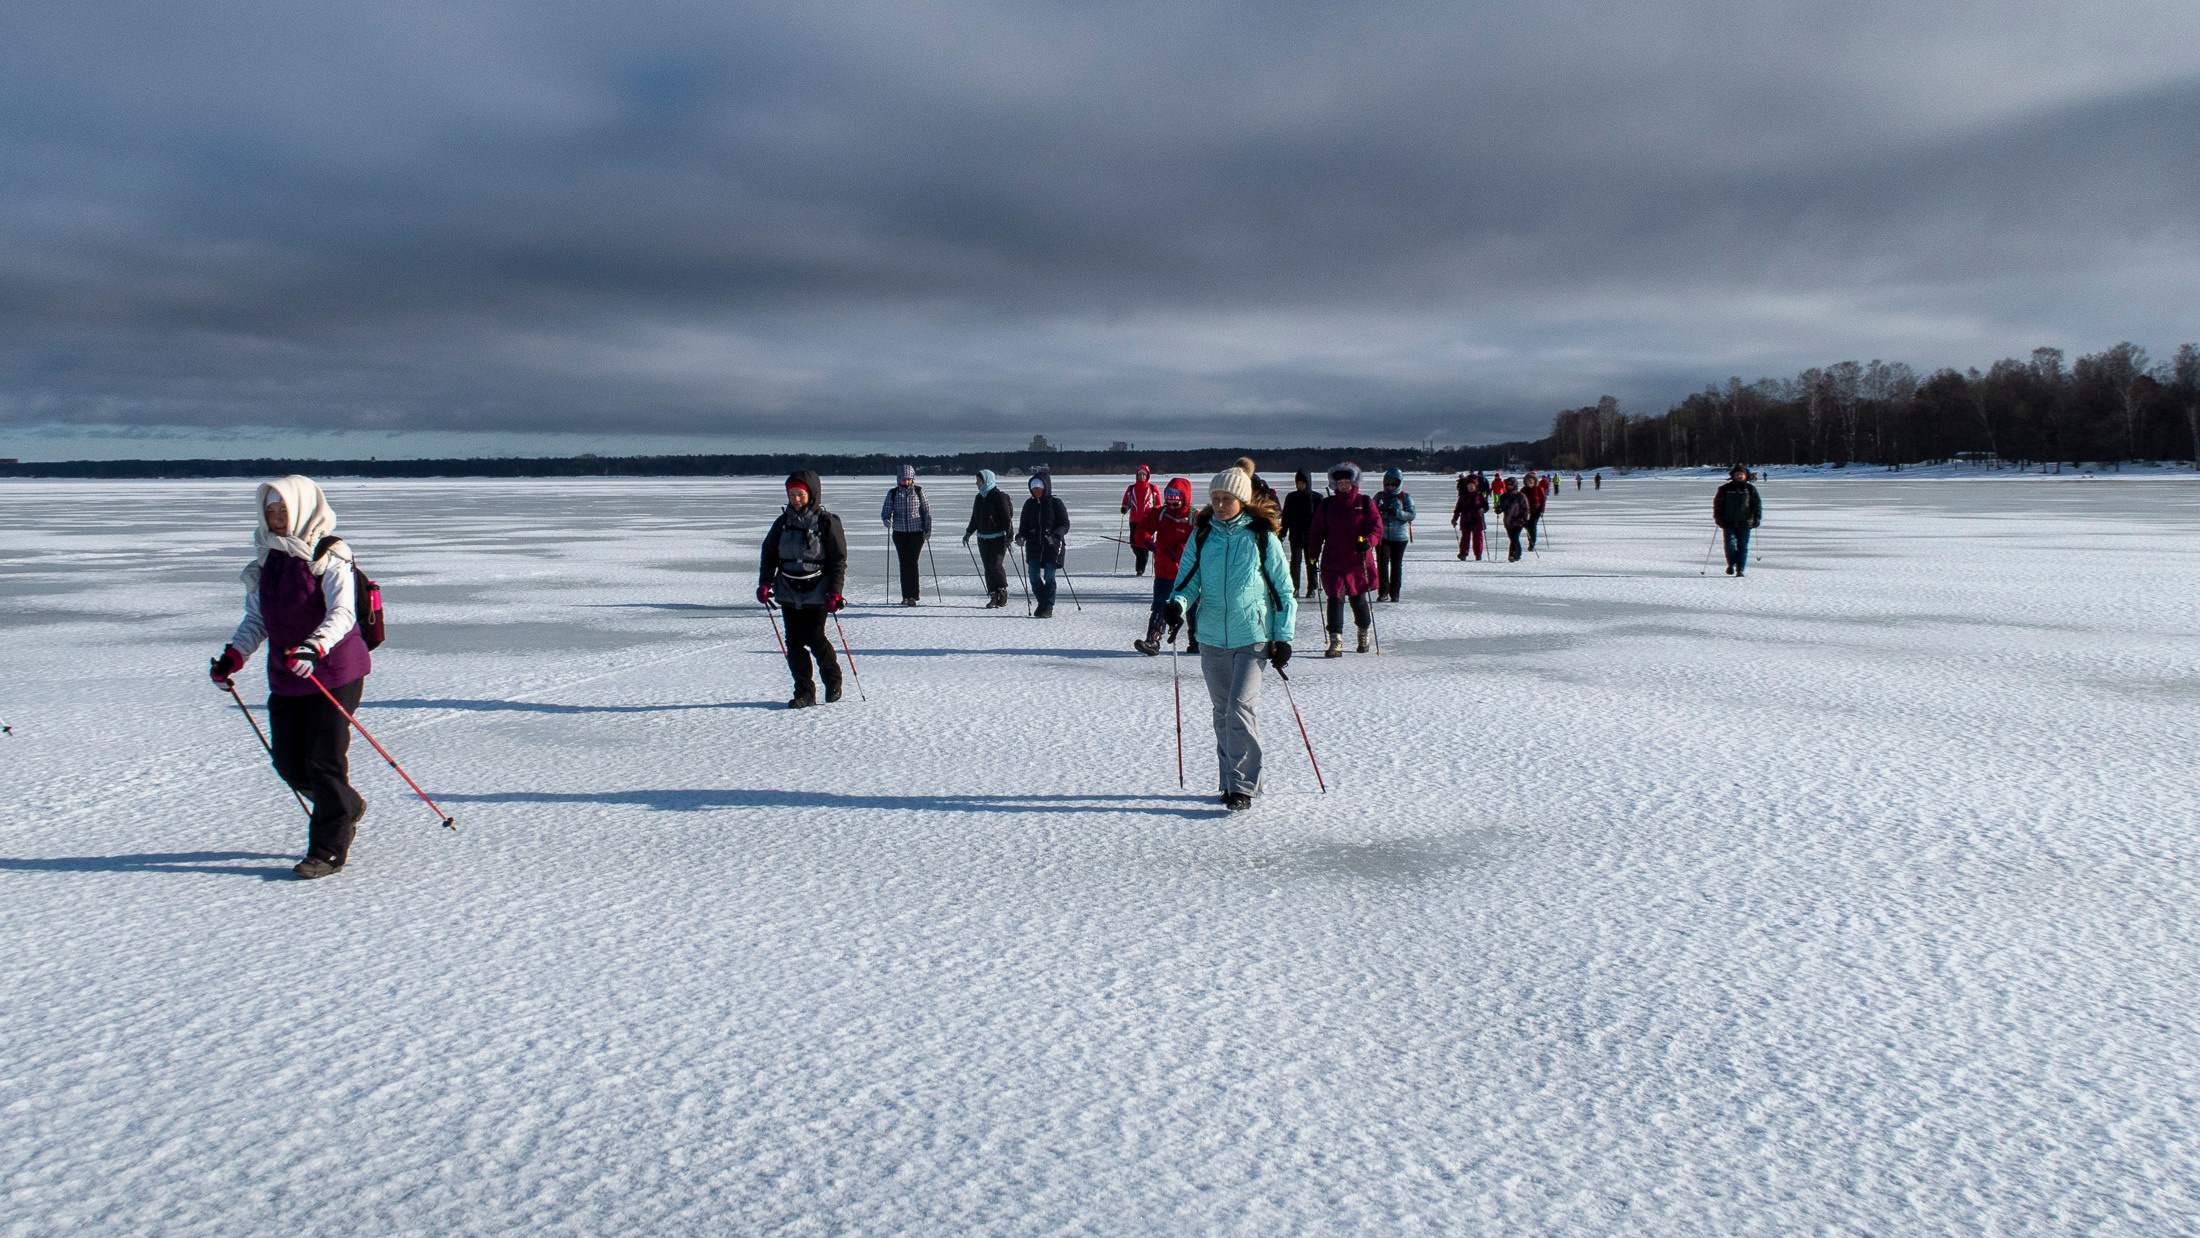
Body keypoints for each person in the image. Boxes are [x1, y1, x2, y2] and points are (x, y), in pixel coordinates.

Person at [208, 475, 372, 880]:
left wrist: (314, 647)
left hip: (333, 669)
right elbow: (259, 617)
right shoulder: (268, 558)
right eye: (270, 508)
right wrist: (234, 655)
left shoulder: (330, 554)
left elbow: (343, 613)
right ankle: (345, 805)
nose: (276, 515)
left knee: (323, 759)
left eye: (283, 507)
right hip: (286, 673)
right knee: (288, 763)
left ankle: (328, 849)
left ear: (302, 506)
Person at [1162, 468, 1295, 812]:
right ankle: (1228, 780)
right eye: (1216, 499)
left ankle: (1244, 787)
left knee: (1239, 707)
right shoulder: (1203, 536)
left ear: (1243, 500)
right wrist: (1176, 607)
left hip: (1252, 637)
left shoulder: (1262, 537)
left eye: (1227, 499)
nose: (1220, 505)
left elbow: (1283, 591)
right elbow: (1186, 584)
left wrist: (1283, 637)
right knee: (1222, 712)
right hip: (1210, 637)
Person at [759, 471, 848, 709]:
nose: (796, 499)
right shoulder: (782, 524)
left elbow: (838, 560)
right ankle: (804, 692)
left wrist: (835, 592)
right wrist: (765, 583)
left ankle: (833, 681)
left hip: (818, 590)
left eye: (800, 494)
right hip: (788, 590)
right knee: (795, 642)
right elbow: (768, 554)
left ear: (812, 494)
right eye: (791, 494)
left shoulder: (827, 522)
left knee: (816, 638)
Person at [1309, 462, 1380, 656]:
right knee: (1335, 600)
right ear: (1334, 484)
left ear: (1353, 482)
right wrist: (1313, 553)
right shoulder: (1327, 505)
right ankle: (1335, 641)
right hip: (1333, 561)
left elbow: (1376, 527)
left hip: (1357, 561)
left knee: (1358, 600)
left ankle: (1364, 633)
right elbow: (1316, 532)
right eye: (1339, 482)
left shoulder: (1364, 502)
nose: (1343, 486)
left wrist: (1368, 542)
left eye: (1346, 482)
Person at [1133, 477, 1195, 655]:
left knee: (1192, 607)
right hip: (1164, 571)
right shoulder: (1160, 513)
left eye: (1176, 504)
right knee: (1160, 605)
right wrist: (1149, 544)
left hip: (1188, 573)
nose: (1172, 508)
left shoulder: (1194, 517)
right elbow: (1140, 531)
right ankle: (1152, 641)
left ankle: (1196, 641)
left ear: (1184, 499)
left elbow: (1199, 541)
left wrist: (1179, 550)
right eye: (1169, 504)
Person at [1018, 470, 1070, 617]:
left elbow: (1065, 524)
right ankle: (1042, 603)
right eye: (1033, 489)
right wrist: (1020, 536)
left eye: (1038, 488)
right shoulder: (1029, 504)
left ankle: (1048, 607)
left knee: (1049, 577)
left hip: (1052, 546)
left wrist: (1055, 534)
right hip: (1034, 546)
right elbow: (1023, 526)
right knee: (1033, 576)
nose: (1036, 491)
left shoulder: (1055, 503)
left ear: (1045, 488)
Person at [880, 465, 932, 605]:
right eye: (904, 479)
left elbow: (926, 511)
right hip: (900, 534)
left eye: (909, 479)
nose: (906, 482)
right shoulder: (893, 493)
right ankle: (906, 596)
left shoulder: (919, 491)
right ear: (899, 479)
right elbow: (886, 511)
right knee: (904, 563)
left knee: (912, 562)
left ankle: (913, 596)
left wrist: (928, 529)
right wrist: (886, 519)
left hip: (916, 533)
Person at [963, 469, 1015, 607]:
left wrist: (1010, 537)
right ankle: (993, 596)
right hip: (983, 539)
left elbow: (1007, 519)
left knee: (995, 565)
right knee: (987, 568)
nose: (976, 483)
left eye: (979, 481)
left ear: (986, 481)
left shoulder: (999, 497)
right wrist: (969, 533)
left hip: (998, 539)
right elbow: (975, 519)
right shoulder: (979, 498)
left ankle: (1002, 591)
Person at [1374, 467, 1415, 601]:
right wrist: (1378, 511)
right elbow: (1369, 513)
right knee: (1382, 563)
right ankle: (1383, 592)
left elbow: (1411, 515)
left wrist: (1397, 513)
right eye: (1388, 484)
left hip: (1400, 537)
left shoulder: (1405, 497)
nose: (1390, 486)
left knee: (1396, 565)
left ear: (1399, 484)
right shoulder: (1379, 496)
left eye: (1394, 484)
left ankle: (1395, 593)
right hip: (1382, 536)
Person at [1714, 464, 1763, 576]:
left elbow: (1757, 504)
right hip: (1728, 522)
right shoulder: (1725, 489)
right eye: (1737, 474)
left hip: (1745, 522)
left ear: (1745, 476)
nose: (1739, 476)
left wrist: (1757, 517)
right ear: (1733, 476)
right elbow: (1718, 504)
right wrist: (1717, 517)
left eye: (1741, 474)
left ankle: (1740, 569)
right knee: (1729, 546)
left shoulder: (1750, 489)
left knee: (1743, 547)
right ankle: (1731, 564)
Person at [1280, 469, 1322, 597]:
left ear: (1308, 483)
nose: (1300, 485)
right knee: (1295, 562)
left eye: (1303, 483)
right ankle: (1295, 588)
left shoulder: (1316, 498)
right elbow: (1286, 517)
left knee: (1311, 562)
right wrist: (1282, 532)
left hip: (1312, 537)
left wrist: (1323, 534)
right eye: (1298, 483)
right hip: (1296, 536)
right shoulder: (1291, 497)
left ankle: (1312, 588)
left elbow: (1321, 518)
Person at [1120, 465, 1161, 576]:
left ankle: (1140, 569)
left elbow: (1158, 504)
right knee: (1134, 543)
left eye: (1144, 474)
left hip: (1148, 521)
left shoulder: (1153, 488)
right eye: (1140, 474)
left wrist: (1155, 510)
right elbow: (1126, 502)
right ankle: (1141, 562)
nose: (1142, 476)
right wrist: (1124, 508)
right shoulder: (1131, 488)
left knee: (1144, 544)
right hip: (1134, 520)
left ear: (1147, 476)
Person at [1451, 473, 1486, 561]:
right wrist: (1454, 518)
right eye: (1469, 486)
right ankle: (1463, 553)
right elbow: (1458, 509)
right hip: (1466, 519)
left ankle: (1478, 554)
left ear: (1475, 486)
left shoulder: (1479, 495)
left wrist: (1482, 509)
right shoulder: (1463, 496)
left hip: (1477, 520)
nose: (1470, 487)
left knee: (1478, 538)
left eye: (1472, 486)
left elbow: (1486, 506)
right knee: (1465, 537)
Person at [1498, 478, 1530, 562]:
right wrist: (1499, 509)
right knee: (1512, 538)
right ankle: (1517, 554)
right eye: (1507, 485)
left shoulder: (1520, 496)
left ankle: (1512, 554)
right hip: (1508, 521)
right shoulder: (1503, 497)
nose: (1509, 487)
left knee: (1514, 537)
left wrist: (1525, 519)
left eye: (1511, 485)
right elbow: (1501, 507)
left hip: (1518, 521)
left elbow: (1525, 508)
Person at [1523, 469, 1547, 551]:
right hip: (1526, 511)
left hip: (1536, 511)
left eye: (1531, 482)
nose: (1529, 484)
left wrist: (1542, 510)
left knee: (1532, 526)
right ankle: (1530, 541)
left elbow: (1543, 500)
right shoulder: (1523, 490)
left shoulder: (1539, 489)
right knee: (1527, 526)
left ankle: (1532, 543)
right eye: (1528, 482)